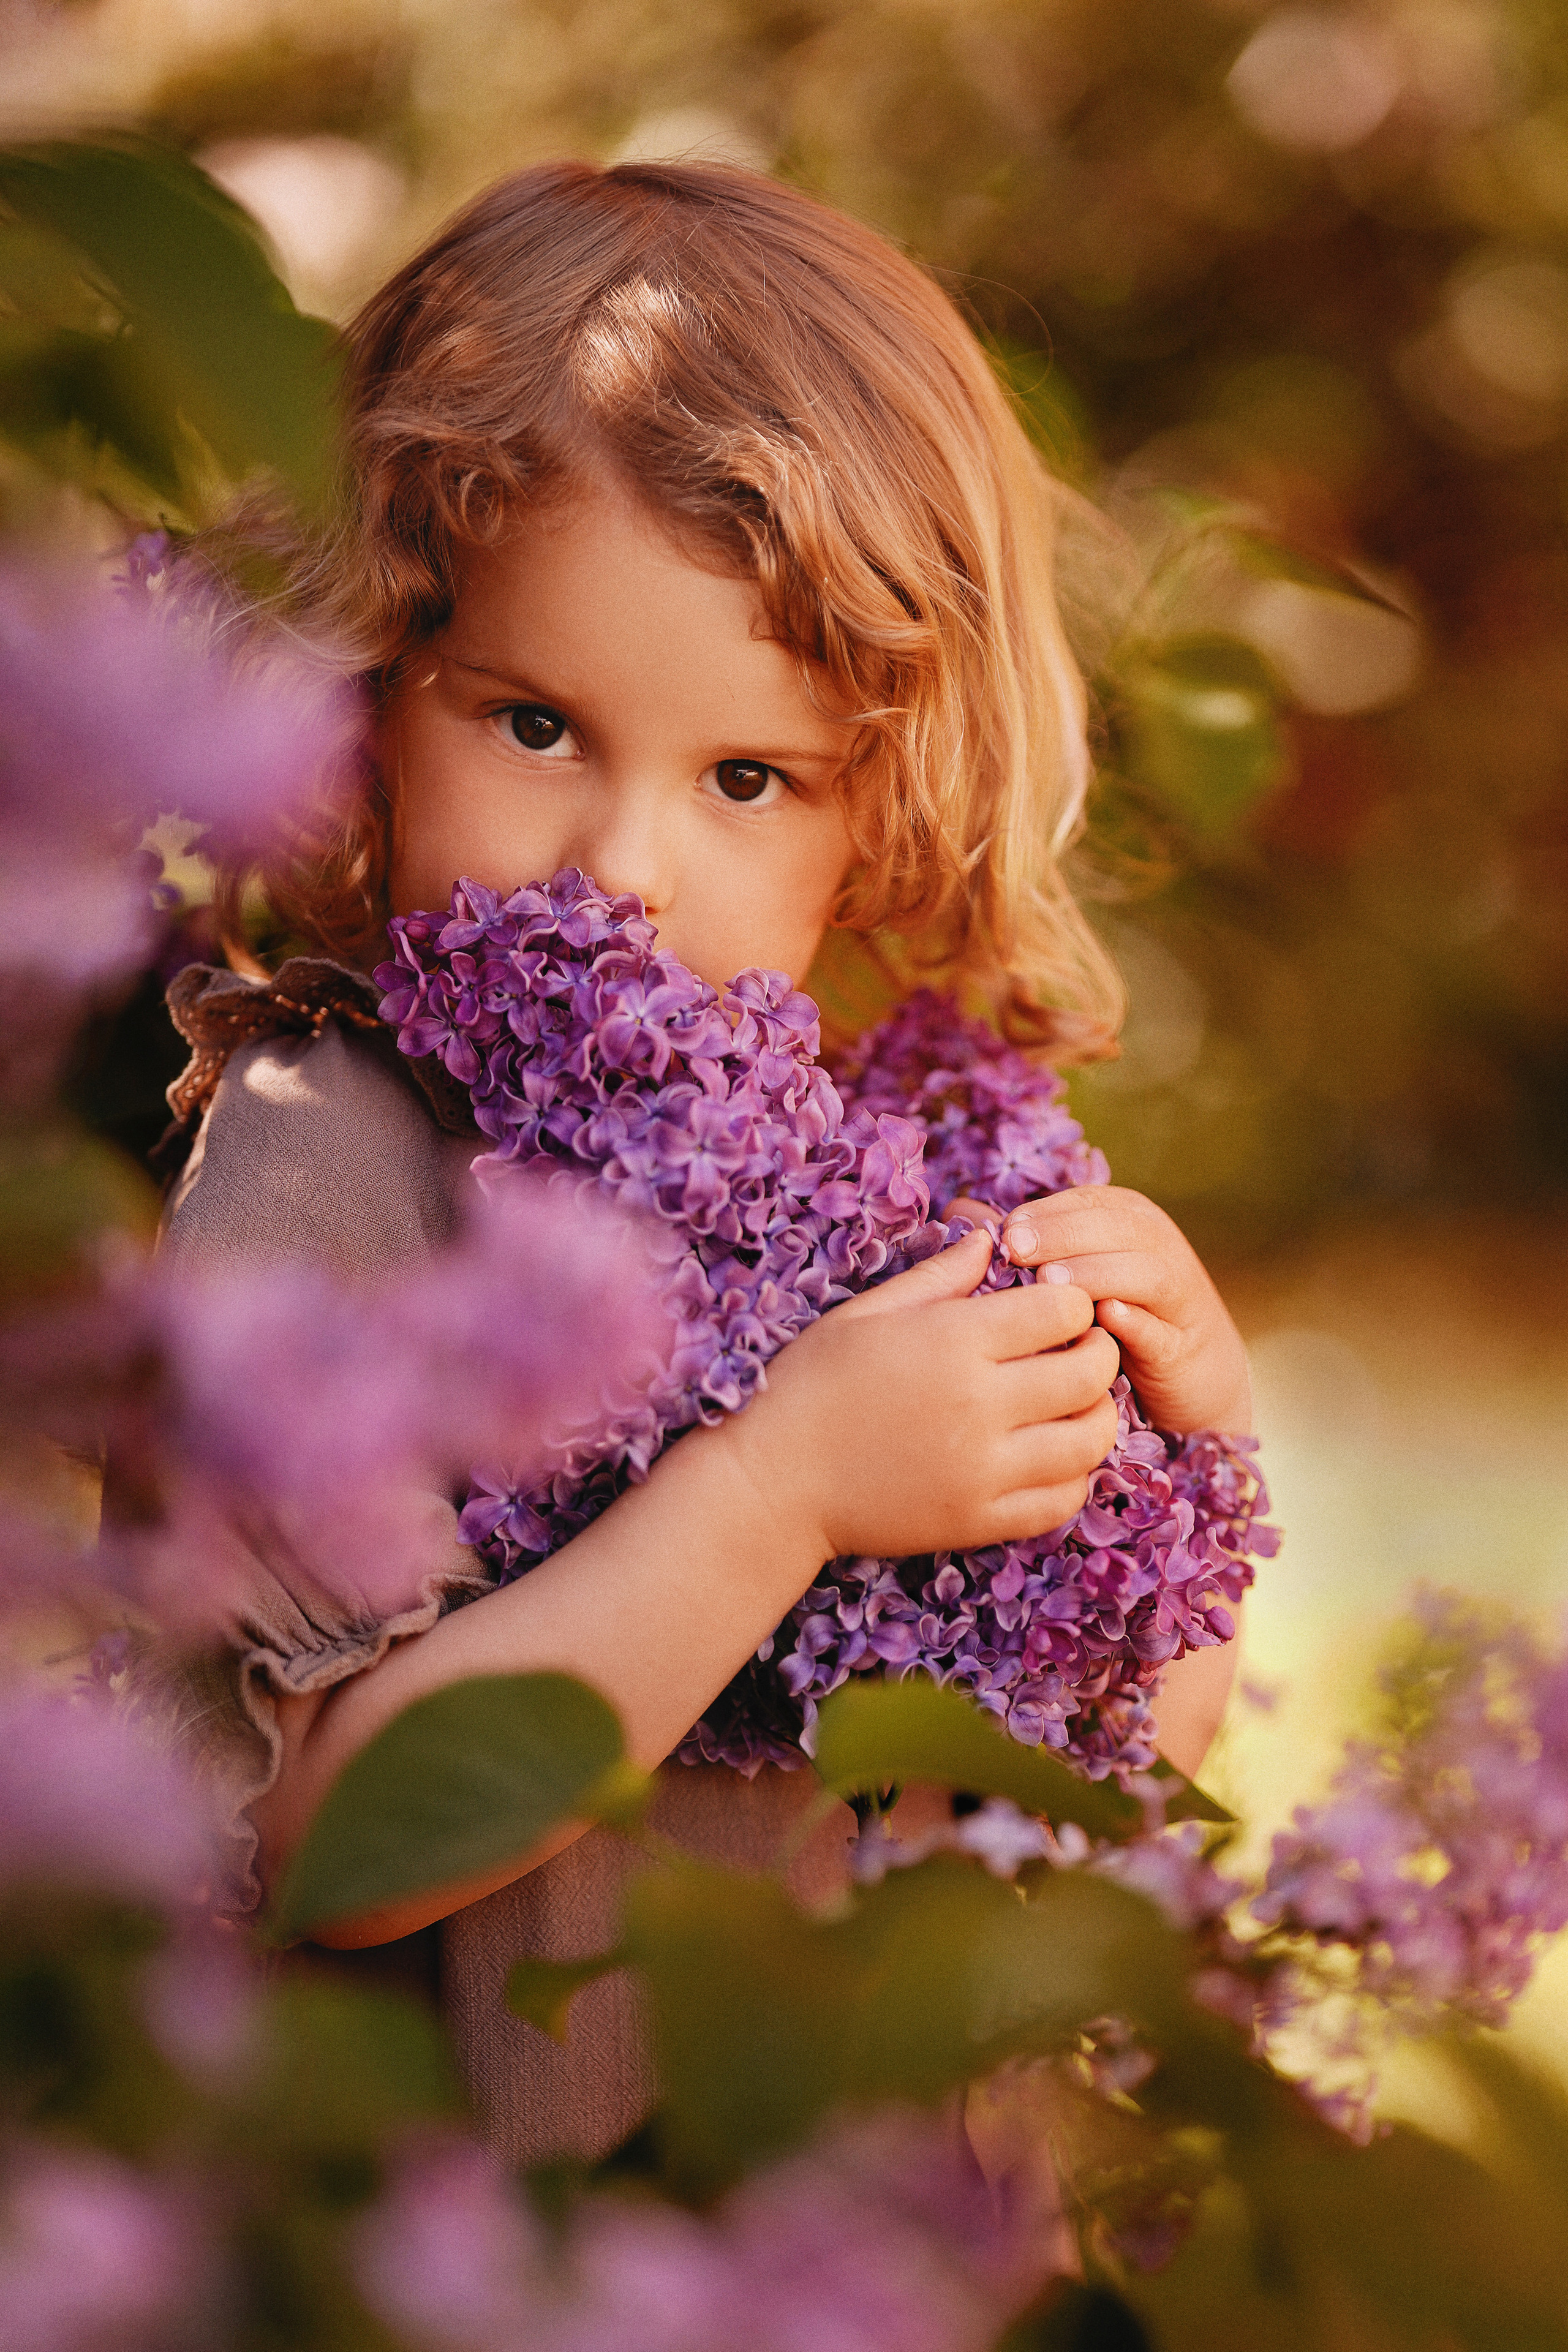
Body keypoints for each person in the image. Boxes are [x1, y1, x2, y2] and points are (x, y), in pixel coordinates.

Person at [159, 160, 1255, 2165]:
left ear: (881, 807)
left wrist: (1173, 1475)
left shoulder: (915, 1184)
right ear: (378, 692)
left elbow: (1108, 1791)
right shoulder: (328, 1169)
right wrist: (773, 1497)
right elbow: (325, 1845)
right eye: (535, 724)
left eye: (746, 776)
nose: (622, 874)